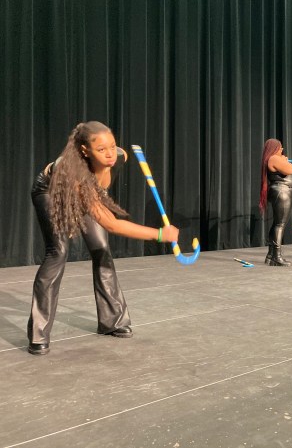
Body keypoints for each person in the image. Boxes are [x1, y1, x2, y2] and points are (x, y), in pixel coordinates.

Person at [28, 121, 179, 355]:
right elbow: (111, 224)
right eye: (101, 149)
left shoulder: (118, 156)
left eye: (112, 146)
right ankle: (39, 333)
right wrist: (159, 234)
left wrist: (105, 168)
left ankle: (113, 321)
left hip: (88, 193)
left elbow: (99, 189)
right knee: (58, 252)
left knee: (101, 248)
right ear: (85, 150)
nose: (109, 153)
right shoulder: (71, 171)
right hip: (50, 192)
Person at [259, 138, 292, 266]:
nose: (282, 149)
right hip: (282, 192)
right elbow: (290, 170)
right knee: (280, 224)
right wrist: (284, 161)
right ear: (275, 148)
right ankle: (277, 256)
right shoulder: (274, 158)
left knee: (277, 223)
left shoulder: (273, 158)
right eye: (280, 147)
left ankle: (270, 256)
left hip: (283, 192)